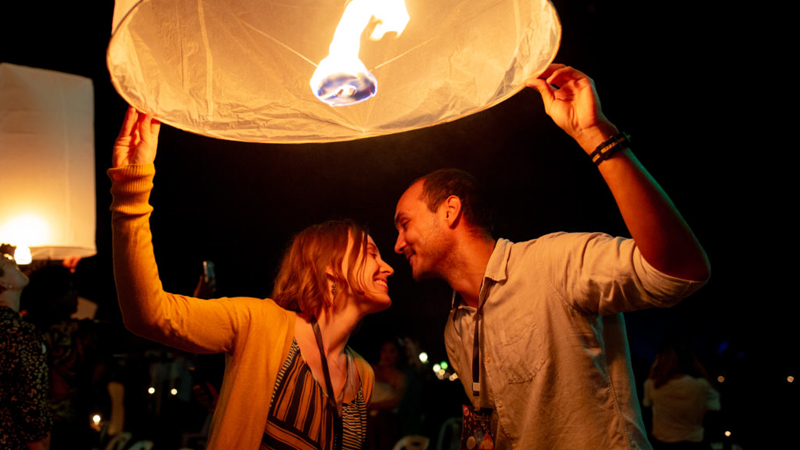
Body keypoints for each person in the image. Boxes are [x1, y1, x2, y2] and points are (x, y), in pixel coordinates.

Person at [392, 64, 711, 449]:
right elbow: (484, 420)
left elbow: (681, 272)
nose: (398, 244)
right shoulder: (455, 329)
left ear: (450, 210)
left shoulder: (554, 263)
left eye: (404, 224)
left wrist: (594, 134)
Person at [109, 107, 395, 449]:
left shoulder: (361, 374)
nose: (387, 267)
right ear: (329, 269)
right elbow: (149, 314)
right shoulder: (260, 324)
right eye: (371, 253)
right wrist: (130, 191)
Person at [0, 246, 53, 450]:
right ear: (3, 283)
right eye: (7, 264)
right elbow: (31, 400)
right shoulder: (21, 332)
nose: (15, 263)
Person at [643, 339, 720, 449]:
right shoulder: (700, 386)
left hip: (661, 444)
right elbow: (716, 402)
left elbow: (647, 404)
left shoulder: (652, 385)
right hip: (693, 444)